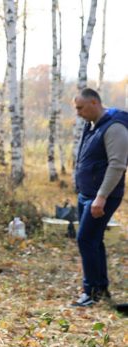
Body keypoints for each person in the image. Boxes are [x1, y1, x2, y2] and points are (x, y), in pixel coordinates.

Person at [71, 88, 128, 307]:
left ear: (94, 103)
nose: (78, 113)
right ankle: (100, 289)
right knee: (93, 240)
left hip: (102, 196)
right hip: (87, 194)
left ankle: (91, 292)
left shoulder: (115, 127)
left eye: (80, 108)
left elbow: (117, 165)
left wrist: (101, 197)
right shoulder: (92, 125)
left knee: (85, 239)